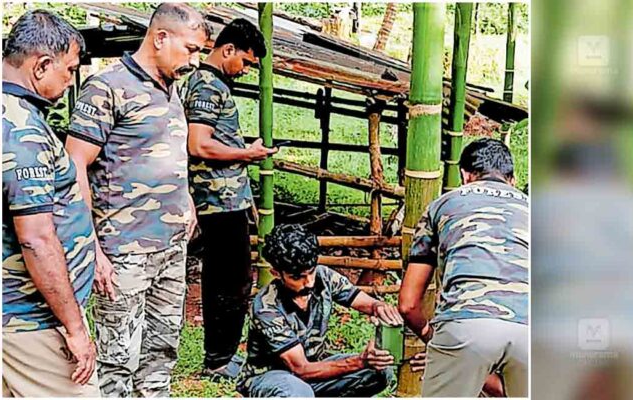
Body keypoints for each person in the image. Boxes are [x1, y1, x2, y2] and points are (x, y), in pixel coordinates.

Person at [65, 3, 210, 397]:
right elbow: (76, 164)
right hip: (123, 250)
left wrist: (188, 203)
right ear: (160, 38)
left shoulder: (172, 88)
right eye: (191, 49)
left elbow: (167, 157)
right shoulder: (108, 88)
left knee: (161, 351)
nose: (194, 60)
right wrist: (91, 248)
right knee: (118, 361)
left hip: (171, 249)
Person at [1, 10, 98, 397]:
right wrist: (74, 328)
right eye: (69, 69)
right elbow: (36, 240)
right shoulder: (22, 131)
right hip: (30, 318)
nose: (70, 79)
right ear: (41, 65)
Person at [179, 17, 277, 380]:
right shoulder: (206, 85)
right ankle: (217, 360)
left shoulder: (213, 84)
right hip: (216, 201)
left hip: (227, 198)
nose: (246, 70)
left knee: (232, 278)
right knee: (229, 281)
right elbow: (199, 144)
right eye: (246, 62)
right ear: (228, 49)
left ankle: (219, 356)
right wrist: (247, 155)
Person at [398, 138, 529, 397]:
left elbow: (407, 304)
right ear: (512, 179)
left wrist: (429, 336)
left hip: (465, 325)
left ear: (465, 175)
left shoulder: (443, 205)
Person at [236, 224, 405, 397]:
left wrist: (380, 308)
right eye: (297, 277)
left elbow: (365, 302)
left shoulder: (323, 277)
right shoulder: (266, 307)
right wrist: (360, 361)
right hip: (270, 377)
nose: (308, 282)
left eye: (311, 272)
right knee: (299, 392)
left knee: (380, 372)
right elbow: (300, 368)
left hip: (315, 368)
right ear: (276, 273)